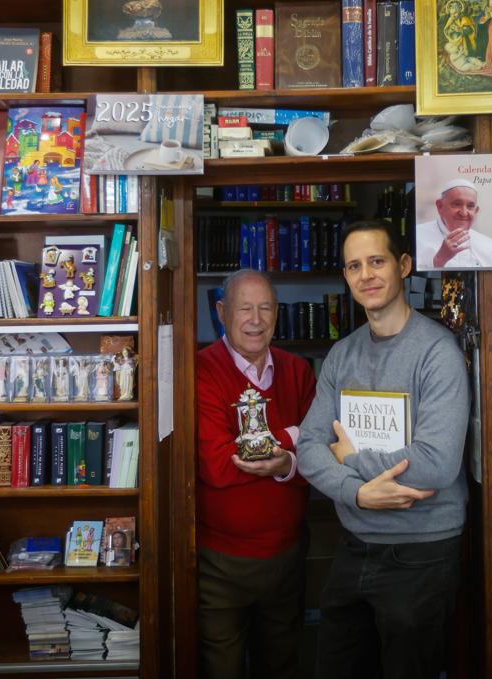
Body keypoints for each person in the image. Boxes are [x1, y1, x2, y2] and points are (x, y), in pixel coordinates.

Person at [296, 220, 470, 679]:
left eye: (377, 261)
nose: (366, 275)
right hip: (354, 545)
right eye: (354, 266)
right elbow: (310, 445)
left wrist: (349, 460)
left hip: (423, 552)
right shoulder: (342, 354)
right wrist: (358, 495)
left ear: (404, 266)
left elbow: (436, 463)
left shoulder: (438, 353)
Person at [196, 269, 317, 679]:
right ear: (221, 312)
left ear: (277, 313)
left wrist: (287, 462)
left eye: (266, 308)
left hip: (287, 556)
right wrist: (291, 438)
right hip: (220, 562)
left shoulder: (298, 370)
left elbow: (320, 454)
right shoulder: (201, 371)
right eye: (244, 308)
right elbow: (216, 464)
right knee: (221, 668)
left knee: (282, 664)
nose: (256, 319)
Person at [414, 178, 492, 269]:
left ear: (476, 211)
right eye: (457, 204)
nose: (464, 213)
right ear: (440, 206)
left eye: (470, 206)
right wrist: (440, 259)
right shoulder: (417, 236)